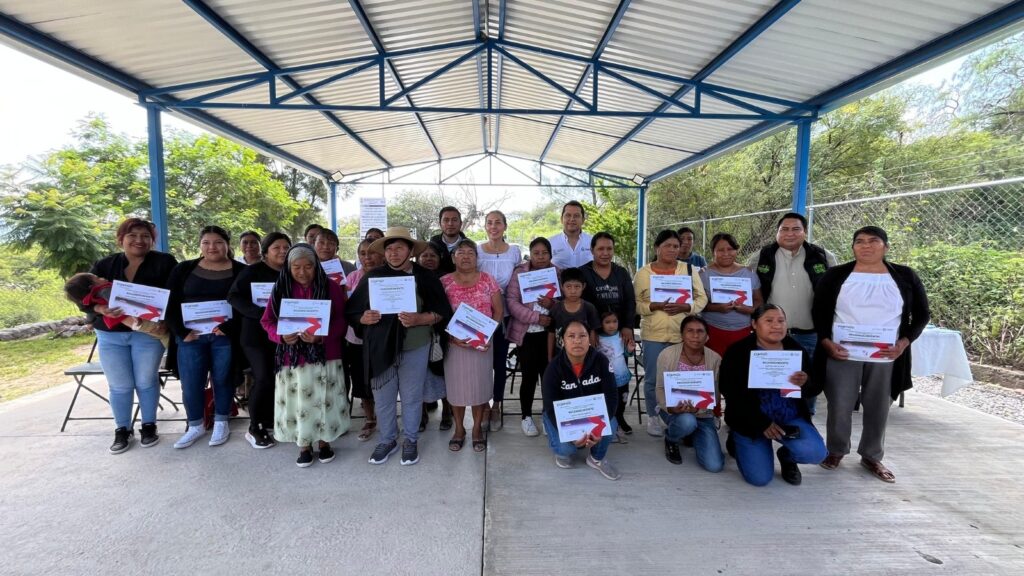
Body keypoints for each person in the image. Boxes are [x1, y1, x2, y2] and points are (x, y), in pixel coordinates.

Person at [813, 226, 929, 483]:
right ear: (853, 247)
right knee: (839, 404)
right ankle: (836, 450)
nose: (866, 245)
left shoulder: (905, 276)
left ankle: (872, 455)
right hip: (843, 351)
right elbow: (818, 312)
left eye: (873, 241)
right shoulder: (835, 275)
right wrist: (826, 342)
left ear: (886, 246)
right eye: (859, 241)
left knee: (879, 405)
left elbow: (922, 315)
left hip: (885, 354)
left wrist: (903, 343)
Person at [346, 227, 453, 466]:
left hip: (415, 344)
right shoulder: (373, 277)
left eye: (399, 248)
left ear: (411, 251)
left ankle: (411, 439)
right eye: (389, 249)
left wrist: (421, 318)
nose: (394, 253)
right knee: (383, 397)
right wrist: (364, 317)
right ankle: (387, 439)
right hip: (380, 347)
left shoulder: (425, 276)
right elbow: (352, 310)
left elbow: (442, 311)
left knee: (412, 396)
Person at [83, 218, 177, 453]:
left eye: (145, 236)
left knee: (146, 380)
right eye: (132, 235)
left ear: (152, 240)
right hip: (110, 335)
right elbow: (80, 295)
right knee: (119, 385)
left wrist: (166, 322)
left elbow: (176, 294)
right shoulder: (104, 265)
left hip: (149, 334)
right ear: (121, 239)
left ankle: (149, 425)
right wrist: (99, 308)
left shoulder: (165, 262)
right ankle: (122, 429)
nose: (139, 240)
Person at [260, 243, 350, 467]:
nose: (302, 272)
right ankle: (304, 444)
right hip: (292, 359)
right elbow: (267, 321)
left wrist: (321, 336)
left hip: (325, 356)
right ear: (288, 268)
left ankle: (325, 442)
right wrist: (280, 336)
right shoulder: (280, 288)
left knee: (325, 399)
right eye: (296, 267)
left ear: (316, 266)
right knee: (299, 403)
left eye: (308, 266)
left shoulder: (330, 287)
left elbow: (342, 321)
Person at [720, 304, 827, 486]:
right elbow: (730, 391)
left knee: (816, 454)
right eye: (769, 321)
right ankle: (738, 439)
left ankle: (787, 457)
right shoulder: (738, 351)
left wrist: (806, 382)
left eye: (781, 321)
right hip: (751, 420)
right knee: (760, 478)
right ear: (754, 324)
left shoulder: (795, 349)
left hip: (789, 417)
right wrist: (761, 422)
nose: (776, 325)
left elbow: (814, 388)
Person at [748, 212, 838, 413]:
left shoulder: (823, 256)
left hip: (809, 334)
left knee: (806, 383)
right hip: (771, 337)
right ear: (777, 232)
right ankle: (770, 421)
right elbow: (747, 288)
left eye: (796, 229)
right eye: (784, 229)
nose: (790, 233)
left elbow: (836, 291)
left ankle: (804, 422)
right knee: (770, 383)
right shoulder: (761, 257)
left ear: (805, 232)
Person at [165, 226, 245, 449]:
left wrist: (230, 326)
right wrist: (181, 332)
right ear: (200, 245)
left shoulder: (241, 271)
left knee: (223, 379)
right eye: (206, 242)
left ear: (227, 244)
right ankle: (195, 425)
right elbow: (169, 303)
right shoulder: (183, 269)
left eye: (218, 242)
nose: (212, 247)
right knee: (191, 383)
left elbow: (246, 304)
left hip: (224, 337)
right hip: (191, 337)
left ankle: (221, 422)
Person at [634, 229, 708, 436]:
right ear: (657, 247)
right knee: (652, 379)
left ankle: (676, 415)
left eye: (676, 246)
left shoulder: (688, 270)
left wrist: (687, 307)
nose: (673, 249)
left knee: (678, 378)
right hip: (653, 335)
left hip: (680, 334)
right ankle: (653, 416)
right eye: (668, 245)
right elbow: (637, 305)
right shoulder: (643, 273)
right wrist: (653, 306)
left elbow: (702, 298)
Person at [227, 232, 291, 449]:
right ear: (266, 252)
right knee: (263, 378)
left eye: (286, 247)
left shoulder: (292, 272)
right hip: (255, 335)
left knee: (279, 378)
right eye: (276, 248)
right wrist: (260, 313)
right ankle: (254, 427)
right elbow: (233, 297)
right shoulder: (252, 271)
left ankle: (271, 419)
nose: (282, 251)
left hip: (283, 334)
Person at [441, 239, 504, 453]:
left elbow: (498, 311)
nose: (466, 256)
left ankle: (477, 429)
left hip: (482, 344)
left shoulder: (488, 280)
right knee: (456, 389)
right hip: (454, 344)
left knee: (479, 387)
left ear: (477, 258)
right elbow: (438, 314)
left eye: (470, 253)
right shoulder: (444, 282)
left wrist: (485, 335)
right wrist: (451, 337)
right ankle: (459, 429)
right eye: (461, 252)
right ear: (453, 257)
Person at [541, 320, 621, 480]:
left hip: (592, 414)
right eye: (571, 336)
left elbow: (612, 397)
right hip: (565, 417)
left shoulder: (601, 361)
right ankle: (562, 450)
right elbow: (550, 406)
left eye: (582, 336)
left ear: (589, 339)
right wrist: (571, 436)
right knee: (566, 449)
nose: (577, 340)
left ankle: (596, 458)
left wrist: (598, 429)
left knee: (611, 425)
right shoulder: (553, 368)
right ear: (562, 341)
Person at [506, 237, 561, 437]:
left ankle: (548, 416)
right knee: (528, 377)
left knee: (549, 377)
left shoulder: (557, 273)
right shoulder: (520, 272)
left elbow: (566, 301)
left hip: (550, 335)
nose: (540, 257)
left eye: (545, 253)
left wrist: (552, 305)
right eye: (536, 253)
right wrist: (536, 317)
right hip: (527, 334)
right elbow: (511, 302)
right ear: (530, 254)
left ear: (550, 255)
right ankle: (526, 416)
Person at [655, 316, 724, 472]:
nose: (695, 336)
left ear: (707, 336)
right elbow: (659, 388)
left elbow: (716, 393)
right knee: (687, 421)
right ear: (682, 334)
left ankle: (690, 434)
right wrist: (671, 408)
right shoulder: (667, 355)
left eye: (700, 331)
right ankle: (671, 438)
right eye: (690, 331)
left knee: (714, 465)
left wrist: (698, 409)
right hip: (673, 411)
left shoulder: (715, 359)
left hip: (703, 414)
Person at [477, 210, 521, 431]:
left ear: (505, 226)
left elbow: (519, 280)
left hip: (504, 314)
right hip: (480, 315)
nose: (493, 226)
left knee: (499, 362)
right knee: (481, 362)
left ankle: (497, 405)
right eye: (489, 223)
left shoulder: (514, 252)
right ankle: (483, 405)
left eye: (498, 223)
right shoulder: (477, 250)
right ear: (485, 226)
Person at [345, 239, 384, 441]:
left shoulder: (389, 275)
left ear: (382, 254)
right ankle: (369, 418)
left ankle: (386, 418)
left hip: (382, 338)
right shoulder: (352, 277)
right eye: (362, 253)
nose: (367, 257)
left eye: (372, 252)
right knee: (361, 380)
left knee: (383, 379)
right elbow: (346, 307)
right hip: (356, 338)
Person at [700, 233, 763, 356]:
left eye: (730, 249)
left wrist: (749, 310)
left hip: (743, 330)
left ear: (736, 250)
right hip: (712, 330)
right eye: (720, 250)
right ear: (713, 252)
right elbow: (697, 304)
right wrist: (717, 308)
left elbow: (759, 300)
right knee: (715, 365)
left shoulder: (748, 273)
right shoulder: (703, 274)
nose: (726, 253)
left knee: (740, 365)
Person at [64, 273, 168, 347]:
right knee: (165, 334)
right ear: (92, 286)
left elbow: (90, 314)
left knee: (160, 335)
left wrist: (89, 322)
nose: (103, 277)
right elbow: (126, 305)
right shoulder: (105, 290)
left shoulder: (91, 300)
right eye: (98, 278)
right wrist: (136, 315)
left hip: (135, 325)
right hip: (141, 320)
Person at [416, 242, 454, 432]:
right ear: (417, 258)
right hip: (417, 333)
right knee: (420, 375)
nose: (428, 259)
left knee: (443, 373)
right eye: (424, 256)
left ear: (440, 258)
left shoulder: (447, 279)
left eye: (433, 255)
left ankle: (447, 411)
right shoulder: (411, 276)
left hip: (443, 332)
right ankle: (421, 414)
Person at [546, 266, 600, 360]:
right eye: (568, 286)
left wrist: (592, 358)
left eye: (577, 286)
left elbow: (592, 334)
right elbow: (551, 334)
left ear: (583, 286)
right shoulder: (555, 309)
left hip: (584, 358)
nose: (573, 291)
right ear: (562, 287)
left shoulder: (589, 308)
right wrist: (550, 358)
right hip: (561, 358)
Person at [596, 311, 634, 442]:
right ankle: (611, 423)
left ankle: (620, 418)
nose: (611, 325)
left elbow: (626, 354)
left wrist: (629, 349)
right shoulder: (597, 338)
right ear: (601, 324)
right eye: (607, 322)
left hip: (622, 376)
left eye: (614, 322)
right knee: (609, 401)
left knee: (622, 400)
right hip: (606, 379)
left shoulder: (621, 336)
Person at [549, 200, 592, 269]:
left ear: (583, 220)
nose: (572, 219)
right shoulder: (549, 243)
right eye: (568, 215)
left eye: (576, 216)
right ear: (561, 219)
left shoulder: (593, 242)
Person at [429, 206, 467, 274]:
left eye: (454, 220)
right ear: (440, 224)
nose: (450, 224)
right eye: (446, 220)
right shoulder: (432, 244)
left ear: (461, 223)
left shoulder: (469, 245)